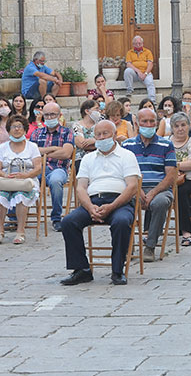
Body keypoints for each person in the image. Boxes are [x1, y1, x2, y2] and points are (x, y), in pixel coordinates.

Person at [60, 120, 141, 286]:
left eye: (106, 134)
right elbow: (81, 187)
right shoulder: (88, 159)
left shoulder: (127, 156)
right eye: (98, 135)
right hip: (94, 201)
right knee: (68, 222)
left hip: (119, 201)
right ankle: (81, 269)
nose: (102, 137)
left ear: (113, 135)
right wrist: (90, 207)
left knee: (121, 221)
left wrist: (111, 206)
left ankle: (118, 270)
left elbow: (132, 186)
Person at [122, 108, 176, 263]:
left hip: (159, 189)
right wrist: (136, 191)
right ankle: (128, 243)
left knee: (160, 202)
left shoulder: (166, 145)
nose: (148, 124)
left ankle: (150, 246)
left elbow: (171, 175)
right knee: (123, 202)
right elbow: (124, 174)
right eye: (144, 121)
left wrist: (153, 192)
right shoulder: (127, 145)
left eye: (152, 121)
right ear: (137, 124)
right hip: (134, 188)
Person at [0, 115, 42, 245]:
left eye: (20, 127)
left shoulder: (32, 146)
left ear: (25, 129)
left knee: (20, 195)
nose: (17, 129)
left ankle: (20, 231)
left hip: (26, 181)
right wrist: (5, 175)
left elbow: (38, 168)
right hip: (8, 180)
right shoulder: (3, 147)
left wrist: (25, 175)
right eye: (14, 127)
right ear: (9, 130)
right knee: (1, 195)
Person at [31, 102, 75, 231]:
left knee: (56, 182)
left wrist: (42, 151)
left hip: (58, 168)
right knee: (22, 179)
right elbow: (31, 152)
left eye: (52, 114)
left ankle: (56, 218)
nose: (49, 118)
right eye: (47, 115)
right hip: (38, 168)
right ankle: (14, 217)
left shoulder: (67, 132)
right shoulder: (36, 133)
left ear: (59, 115)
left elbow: (66, 153)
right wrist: (54, 149)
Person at [170, 113, 191, 246]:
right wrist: (180, 166)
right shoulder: (167, 142)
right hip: (170, 179)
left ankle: (186, 231)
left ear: (188, 126)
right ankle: (149, 231)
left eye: (183, 125)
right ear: (172, 128)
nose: (180, 128)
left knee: (181, 191)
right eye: (176, 126)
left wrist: (174, 165)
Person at [124, 35, 156, 101]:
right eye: (136, 43)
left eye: (140, 43)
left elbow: (150, 64)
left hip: (145, 73)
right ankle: (129, 89)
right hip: (135, 74)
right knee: (127, 71)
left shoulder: (147, 52)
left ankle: (152, 100)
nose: (138, 45)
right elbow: (128, 64)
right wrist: (138, 71)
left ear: (142, 44)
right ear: (133, 44)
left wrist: (145, 73)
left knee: (150, 83)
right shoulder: (129, 53)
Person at [72, 99, 100, 168]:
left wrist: (94, 141)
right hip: (81, 158)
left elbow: (106, 141)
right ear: (87, 111)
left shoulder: (100, 124)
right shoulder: (77, 125)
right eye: (96, 109)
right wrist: (98, 143)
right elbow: (81, 144)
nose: (99, 111)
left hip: (98, 156)